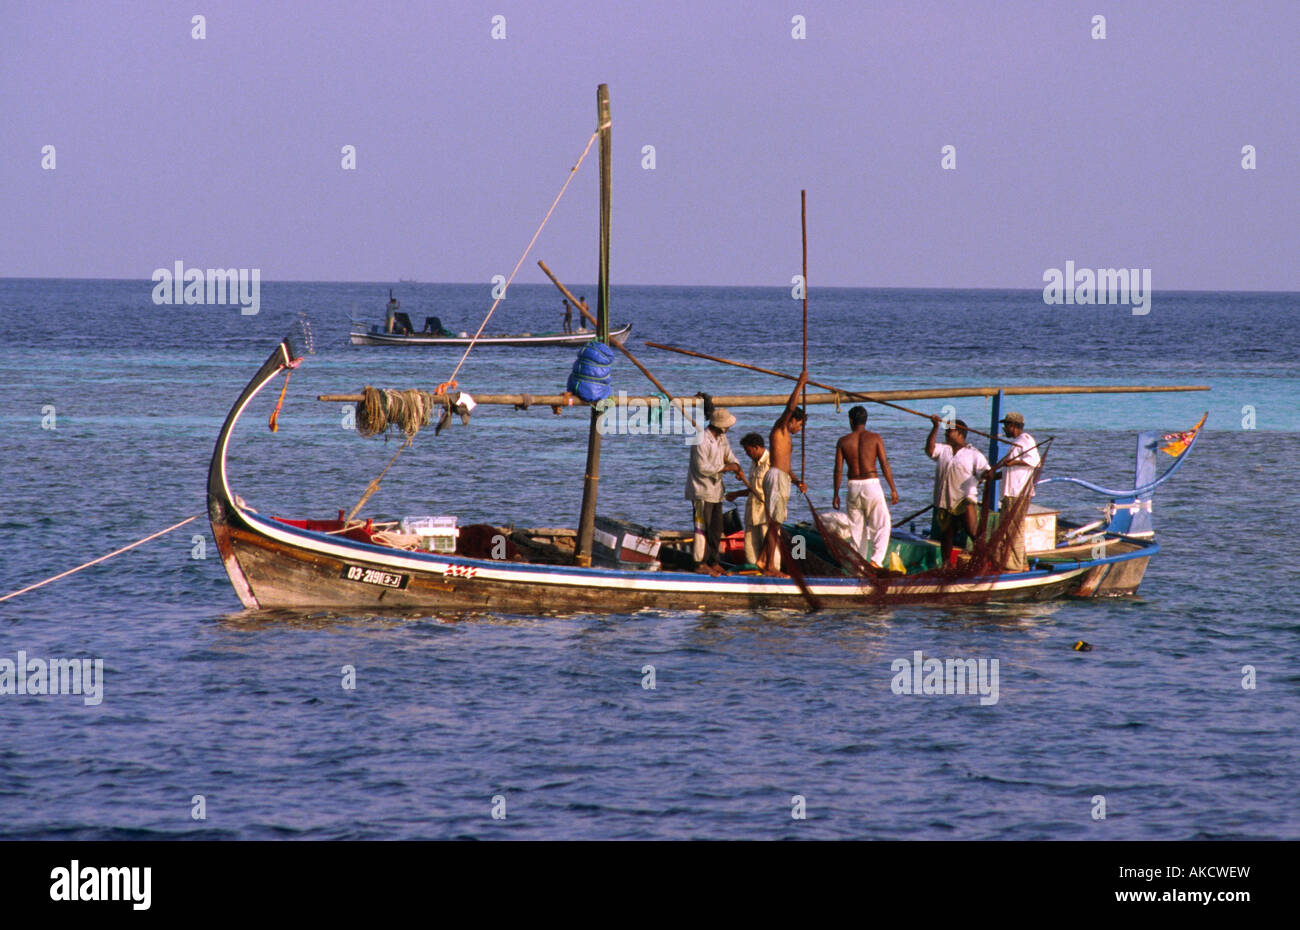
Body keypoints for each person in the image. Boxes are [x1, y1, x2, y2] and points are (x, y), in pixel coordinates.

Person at [832, 406, 899, 568]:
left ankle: (857, 566)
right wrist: (893, 488)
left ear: (850, 421)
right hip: (871, 485)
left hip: (853, 486)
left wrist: (836, 493)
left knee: (857, 530)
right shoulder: (875, 438)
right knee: (882, 524)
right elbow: (884, 464)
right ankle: (876, 560)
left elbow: (838, 469)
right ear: (865, 420)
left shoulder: (843, 441)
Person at [761, 369, 810, 576]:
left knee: (776, 522)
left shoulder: (787, 438)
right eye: (800, 424)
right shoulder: (780, 429)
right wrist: (800, 383)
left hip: (783, 477)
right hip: (775, 477)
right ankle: (771, 566)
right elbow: (789, 407)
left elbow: (787, 466)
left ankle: (763, 560)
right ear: (792, 420)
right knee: (775, 524)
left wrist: (797, 480)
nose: (799, 429)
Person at [685, 407, 745, 575]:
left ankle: (714, 561)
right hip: (701, 491)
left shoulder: (721, 437)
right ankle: (700, 563)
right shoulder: (700, 440)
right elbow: (702, 468)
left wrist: (737, 466)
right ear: (719, 425)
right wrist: (726, 467)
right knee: (701, 529)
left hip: (716, 492)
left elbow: (730, 454)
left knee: (716, 529)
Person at [925, 415, 991, 566]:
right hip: (945, 501)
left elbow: (984, 473)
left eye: (950, 431)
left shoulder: (974, 454)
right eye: (946, 431)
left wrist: (989, 474)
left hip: (964, 499)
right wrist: (934, 427)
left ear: (961, 434)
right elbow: (929, 450)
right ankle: (946, 565)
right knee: (946, 535)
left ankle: (985, 561)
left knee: (972, 531)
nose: (946, 434)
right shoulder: (943, 449)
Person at [993, 411, 1040, 572]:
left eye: (1005, 425)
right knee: (1011, 528)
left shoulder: (1025, 440)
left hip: (1017, 493)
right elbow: (1010, 469)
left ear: (1013, 426)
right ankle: (1023, 563)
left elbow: (1034, 461)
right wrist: (993, 476)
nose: (1004, 429)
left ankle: (1014, 566)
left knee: (1013, 529)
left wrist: (1013, 462)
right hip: (1010, 493)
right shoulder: (1017, 443)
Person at [726, 433, 773, 571]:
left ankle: (771, 571)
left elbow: (768, 492)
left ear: (757, 447)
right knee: (750, 549)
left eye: (748, 451)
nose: (747, 454)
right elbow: (753, 489)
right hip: (752, 513)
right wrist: (737, 494)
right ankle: (753, 573)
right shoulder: (754, 463)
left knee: (769, 547)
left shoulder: (771, 463)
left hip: (765, 513)